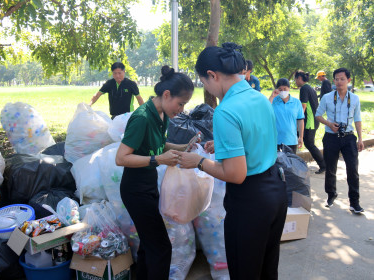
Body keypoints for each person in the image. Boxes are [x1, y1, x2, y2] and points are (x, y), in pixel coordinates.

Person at [176, 43, 287, 279]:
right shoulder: (259, 98)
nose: (206, 88)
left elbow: (236, 174)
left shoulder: (226, 111)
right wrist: (224, 145)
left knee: (245, 271)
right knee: (268, 268)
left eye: (204, 82)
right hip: (276, 190)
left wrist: (198, 161)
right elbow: (260, 138)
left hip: (250, 200)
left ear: (213, 75)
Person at [115, 65, 195, 279]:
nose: (181, 109)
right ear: (167, 95)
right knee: (161, 248)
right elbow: (121, 158)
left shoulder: (162, 113)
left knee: (148, 246)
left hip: (149, 187)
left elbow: (160, 144)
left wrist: (183, 148)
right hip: (135, 191)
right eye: (180, 103)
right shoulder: (142, 117)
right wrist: (157, 159)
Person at [315, 68, 364, 214]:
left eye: (342, 79)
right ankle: (331, 194)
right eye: (336, 79)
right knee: (330, 168)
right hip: (331, 137)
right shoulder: (327, 97)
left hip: (349, 137)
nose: (339, 82)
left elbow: (358, 119)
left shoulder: (354, 98)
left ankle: (354, 202)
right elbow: (318, 115)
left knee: (353, 170)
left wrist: (360, 138)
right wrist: (330, 124)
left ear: (348, 80)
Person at [295, 70, 326, 174]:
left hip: (310, 122)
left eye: (295, 79)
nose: (295, 82)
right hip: (312, 120)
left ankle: (323, 165)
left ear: (299, 78)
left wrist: (298, 118)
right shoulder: (309, 87)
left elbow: (303, 106)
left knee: (309, 144)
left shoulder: (304, 88)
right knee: (301, 140)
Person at [269, 78, 304, 154]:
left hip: (291, 140)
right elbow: (265, 111)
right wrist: (272, 97)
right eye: (280, 89)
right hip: (276, 140)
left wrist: (301, 137)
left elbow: (300, 120)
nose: (283, 91)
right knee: (277, 165)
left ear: (289, 89)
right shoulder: (273, 101)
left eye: (285, 89)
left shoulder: (296, 102)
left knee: (291, 164)